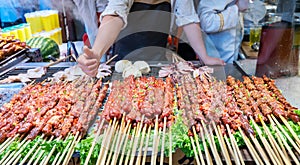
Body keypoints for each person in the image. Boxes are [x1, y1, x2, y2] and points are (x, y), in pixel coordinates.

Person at [78, 0, 225, 77]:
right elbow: (115, 14)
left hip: (157, 59)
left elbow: (188, 18)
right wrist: (97, 52)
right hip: (125, 58)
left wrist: (204, 56)